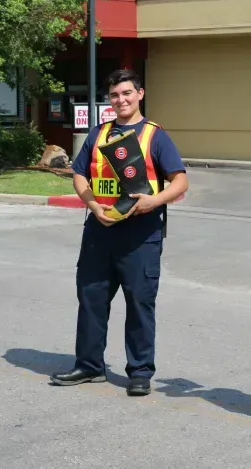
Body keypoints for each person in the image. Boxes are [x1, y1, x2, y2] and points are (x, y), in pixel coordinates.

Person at [50, 69, 188, 396]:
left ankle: (139, 372)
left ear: (140, 94)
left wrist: (155, 200)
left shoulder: (155, 136)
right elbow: (80, 174)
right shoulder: (98, 134)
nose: (121, 100)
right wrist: (92, 204)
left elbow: (180, 180)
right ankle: (89, 365)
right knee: (91, 299)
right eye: (114, 95)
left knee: (139, 304)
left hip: (140, 234)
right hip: (99, 231)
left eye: (127, 93)